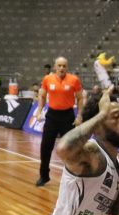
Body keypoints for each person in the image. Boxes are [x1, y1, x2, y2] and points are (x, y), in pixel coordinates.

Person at [32, 57, 83, 188]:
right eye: (59, 65)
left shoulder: (74, 80)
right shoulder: (47, 79)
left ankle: (73, 176)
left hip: (68, 116)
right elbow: (42, 96)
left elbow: (80, 98)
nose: (61, 68)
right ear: (55, 67)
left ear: (67, 67)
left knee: (70, 148)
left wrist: (79, 115)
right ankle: (44, 176)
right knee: (45, 147)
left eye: (64, 66)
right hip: (52, 116)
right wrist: (39, 111)